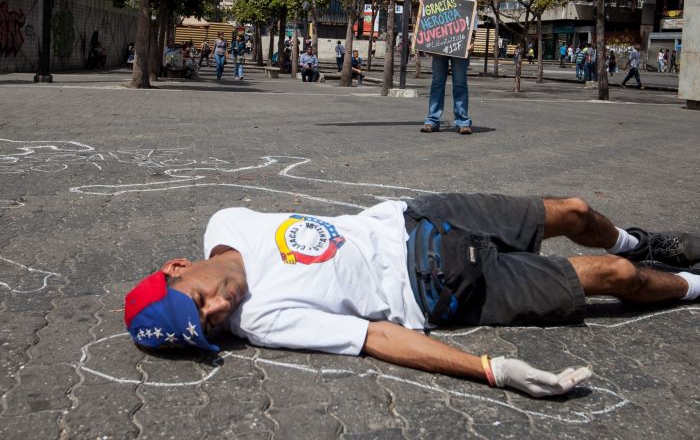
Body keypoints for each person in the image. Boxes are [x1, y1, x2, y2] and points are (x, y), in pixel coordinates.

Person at [124, 192, 700, 400]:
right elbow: (375, 337)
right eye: (210, 327)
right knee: (615, 277)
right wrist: (492, 370)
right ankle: (689, 284)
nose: (220, 312)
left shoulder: (228, 219)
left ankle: (646, 241)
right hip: (439, 289)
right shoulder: (266, 322)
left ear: (178, 267)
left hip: (419, 217)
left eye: (199, 303)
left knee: (575, 212)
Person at [405, 0, 476, 135]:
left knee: (460, 82)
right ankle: (432, 120)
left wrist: (471, 40)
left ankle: (462, 121)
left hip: (459, 44)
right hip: (438, 45)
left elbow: (472, 16)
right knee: (437, 82)